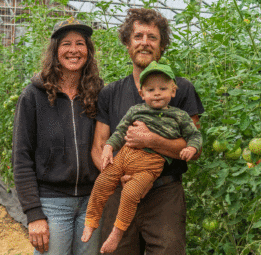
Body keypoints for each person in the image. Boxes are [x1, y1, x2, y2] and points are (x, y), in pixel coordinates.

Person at [91, 8, 205, 255]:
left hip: (164, 194)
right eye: (138, 36)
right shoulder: (110, 93)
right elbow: (100, 146)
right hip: (119, 193)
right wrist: (117, 173)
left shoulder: (180, 89)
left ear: (162, 44)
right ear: (127, 43)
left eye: (152, 37)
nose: (145, 43)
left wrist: (151, 140)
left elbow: (194, 149)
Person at [12, 17, 103, 255]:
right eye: (66, 44)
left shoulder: (98, 94)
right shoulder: (33, 96)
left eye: (80, 43)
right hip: (52, 204)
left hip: (92, 203)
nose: (74, 50)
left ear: (88, 51)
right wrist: (34, 214)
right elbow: (21, 157)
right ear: (55, 51)